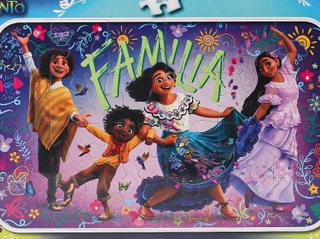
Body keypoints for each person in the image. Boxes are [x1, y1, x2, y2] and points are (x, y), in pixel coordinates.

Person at [126, 62, 259, 220]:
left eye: (169, 77)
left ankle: (224, 206)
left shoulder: (182, 99)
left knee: (209, 174)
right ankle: (146, 206)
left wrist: (221, 114)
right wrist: (161, 140)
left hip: (192, 143)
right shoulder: (153, 108)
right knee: (176, 184)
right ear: (151, 86)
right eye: (159, 79)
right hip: (171, 150)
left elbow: (200, 110)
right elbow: (144, 131)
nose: (166, 81)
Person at [11, 32, 89, 211]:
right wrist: (25, 46)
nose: (59, 65)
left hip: (58, 134)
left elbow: (70, 110)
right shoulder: (41, 80)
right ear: (48, 64)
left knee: (52, 171)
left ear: (68, 69)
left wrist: (78, 117)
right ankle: (63, 182)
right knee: (43, 170)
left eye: (64, 63)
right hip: (43, 132)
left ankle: (52, 200)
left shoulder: (64, 92)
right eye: (55, 61)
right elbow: (31, 67)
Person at [230, 26, 299, 211]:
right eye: (261, 69)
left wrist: (282, 34)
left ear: (276, 60)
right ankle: (247, 187)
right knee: (263, 159)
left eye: (268, 64)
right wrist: (249, 123)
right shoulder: (271, 87)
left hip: (291, 127)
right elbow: (263, 107)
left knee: (283, 164)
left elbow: (292, 50)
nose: (266, 70)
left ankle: (277, 200)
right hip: (276, 127)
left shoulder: (287, 70)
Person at [58, 105, 161, 220]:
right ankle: (65, 185)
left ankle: (106, 209)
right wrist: (87, 125)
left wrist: (149, 137)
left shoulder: (130, 144)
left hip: (110, 168)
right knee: (81, 175)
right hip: (98, 164)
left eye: (130, 130)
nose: (124, 130)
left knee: (102, 189)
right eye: (120, 125)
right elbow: (98, 132)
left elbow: (149, 131)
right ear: (112, 126)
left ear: (135, 133)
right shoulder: (110, 138)